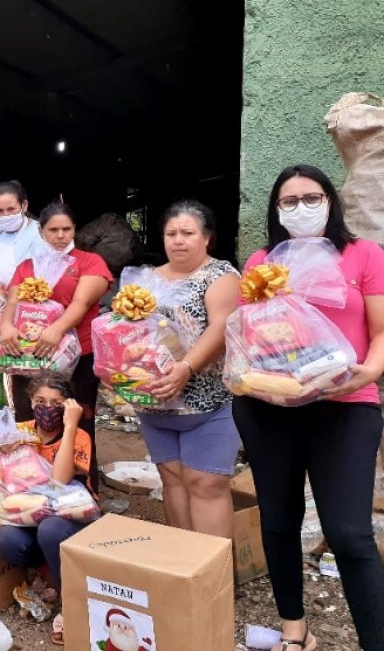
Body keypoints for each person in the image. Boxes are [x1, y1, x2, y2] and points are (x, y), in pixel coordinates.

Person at [232, 164, 384, 651]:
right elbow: (252, 335)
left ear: (331, 201)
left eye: (311, 197)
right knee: (278, 520)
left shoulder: (362, 255)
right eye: (289, 201)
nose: (301, 208)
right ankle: (294, 632)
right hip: (270, 407)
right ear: (276, 210)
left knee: (349, 534)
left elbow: (382, 332)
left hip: (345, 403)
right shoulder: (261, 260)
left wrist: (370, 370)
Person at [137, 201, 240, 539]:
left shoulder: (220, 275)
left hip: (209, 400)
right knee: (173, 478)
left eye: (187, 233)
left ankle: (213, 573)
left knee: (206, 482)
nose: (178, 240)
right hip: (157, 401)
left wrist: (185, 367)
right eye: (171, 233)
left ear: (206, 237)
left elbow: (221, 327)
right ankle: (185, 569)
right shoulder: (148, 279)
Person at [0, 202, 112, 487]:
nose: (60, 235)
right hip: (28, 358)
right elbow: (12, 302)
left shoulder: (89, 262)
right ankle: (31, 489)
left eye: (67, 229)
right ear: (41, 231)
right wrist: (6, 326)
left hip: (78, 357)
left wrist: (58, 328)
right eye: (53, 230)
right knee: (29, 422)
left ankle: (84, 492)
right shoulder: (27, 266)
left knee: (79, 423)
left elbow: (81, 302)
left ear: (74, 229)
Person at [0, 371, 93, 646]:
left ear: (69, 406)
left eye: (57, 403)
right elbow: (8, 487)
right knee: (7, 539)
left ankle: (70, 605)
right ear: (30, 401)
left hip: (70, 519)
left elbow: (59, 482)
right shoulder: (20, 432)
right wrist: (5, 451)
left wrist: (70, 426)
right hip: (28, 516)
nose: (47, 409)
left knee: (50, 528)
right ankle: (46, 572)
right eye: (40, 400)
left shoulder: (79, 435)